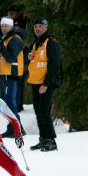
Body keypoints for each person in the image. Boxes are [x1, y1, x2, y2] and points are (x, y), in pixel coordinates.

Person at [27, 17, 62, 152]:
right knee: (38, 112)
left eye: (40, 26)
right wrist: (29, 57)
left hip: (46, 83)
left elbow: (54, 65)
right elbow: (33, 62)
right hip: (36, 82)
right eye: (35, 26)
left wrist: (46, 84)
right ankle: (43, 138)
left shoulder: (51, 43)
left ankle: (51, 140)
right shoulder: (36, 43)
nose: (37, 28)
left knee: (44, 112)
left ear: (46, 27)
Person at [0, 16, 26, 137]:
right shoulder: (6, 38)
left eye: (5, 26)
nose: (3, 28)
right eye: (2, 26)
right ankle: (13, 127)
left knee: (10, 102)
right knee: (5, 102)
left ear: (11, 26)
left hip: (11, 75)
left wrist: (1, 47)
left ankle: (17, 128)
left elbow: (11, 58)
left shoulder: (15, 40)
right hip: (4, 74)